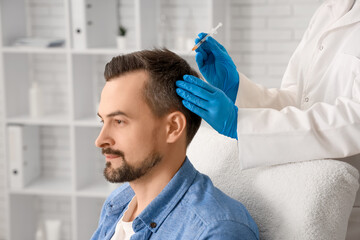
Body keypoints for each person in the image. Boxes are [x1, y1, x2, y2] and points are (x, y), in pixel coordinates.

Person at [91, 49, 259, 240]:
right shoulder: (118, 202)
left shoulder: (216, 230)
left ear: (172, 128)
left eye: (119, 121)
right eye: (102, 121)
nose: (100, 140)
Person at [176, 0, 360, 170]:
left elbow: (355, 122)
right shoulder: (327, 12)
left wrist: (240, 123)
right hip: (305, 179)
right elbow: (297, 98)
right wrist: (238, 89)